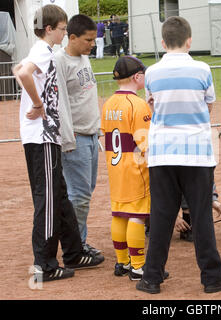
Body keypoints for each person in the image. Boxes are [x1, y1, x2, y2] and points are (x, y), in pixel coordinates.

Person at [136, 16, 221, 295]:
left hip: (162, 154)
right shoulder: (203, 69)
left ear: (163, 42)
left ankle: (151, 278)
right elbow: (207, 106)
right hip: (196, 154)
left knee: (160, 217)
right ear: (189, 40)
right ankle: (212, 277)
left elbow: (153, 106)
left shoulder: (152, 73)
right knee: (202, 216)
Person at [12, 4, 104, 282]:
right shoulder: (41, 50)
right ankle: (45, 264)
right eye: (63, 29)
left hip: (48, 135)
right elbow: (22, 72)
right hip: (41, 135)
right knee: (48, 202)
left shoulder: (47, 51)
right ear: (50, 29)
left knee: (60, 197)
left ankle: (74, 251)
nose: (65, 33)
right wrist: (38, 104)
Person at [100, 56, 152, 280]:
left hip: (115, 166)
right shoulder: (137, 104)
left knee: (119, 214)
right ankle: (139, 266)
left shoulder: (108, 103)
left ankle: (122, 262)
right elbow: (145, 143)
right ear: (137, 77)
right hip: (135, 167)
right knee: (137, 216)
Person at [55, 14, 101, 256]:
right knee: (79, 195)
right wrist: (68, 138)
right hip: (76, 138)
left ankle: (78, 241)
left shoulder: (84, 58)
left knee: (87, 190)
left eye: (93, 40)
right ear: (72, 38)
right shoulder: (59, 61)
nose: (92, 44)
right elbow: (60, 101)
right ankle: (76, 246)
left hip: (92, 135)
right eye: (88, 40)